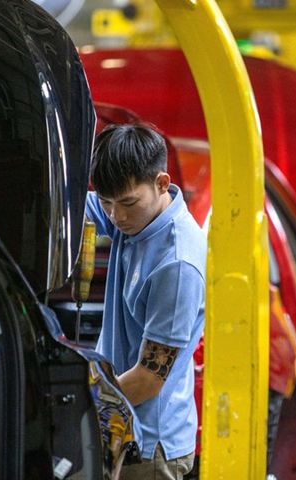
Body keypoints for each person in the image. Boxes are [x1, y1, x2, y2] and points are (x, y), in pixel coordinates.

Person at [85, 122, 205, 479]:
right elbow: (78, 203)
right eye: (107, 202)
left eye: (127, 203)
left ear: (162, 184)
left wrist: (79, 403)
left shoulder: (177, 263)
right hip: (121, 426)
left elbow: (148, 379)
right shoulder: (134, 218)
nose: (115, 217)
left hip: (149, 448)